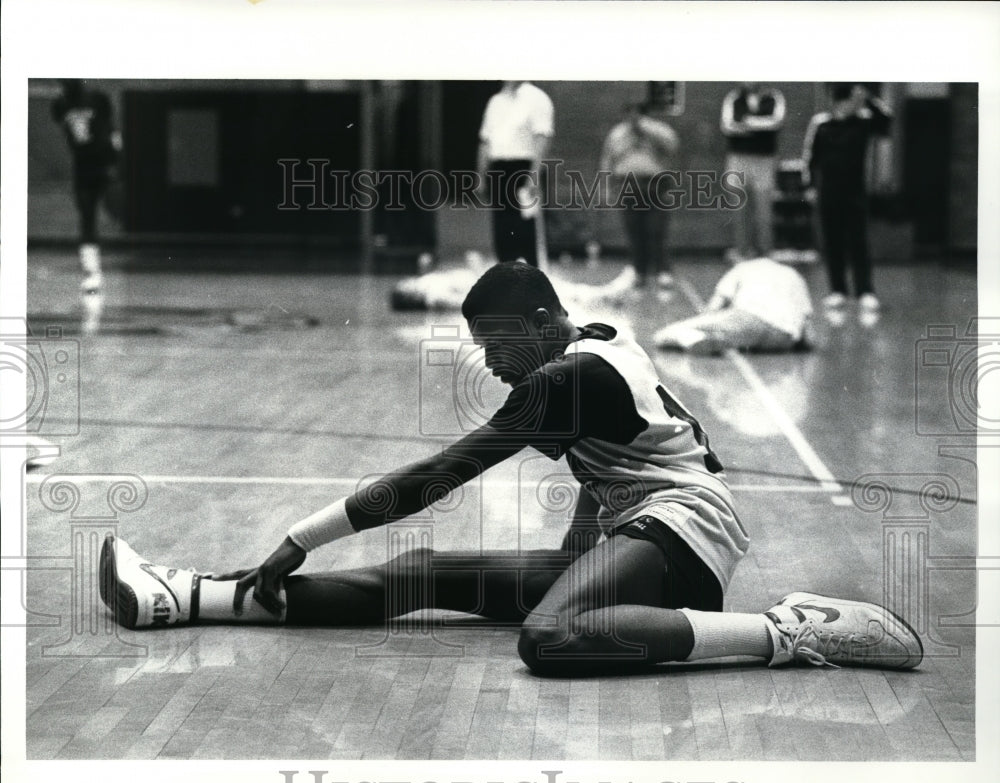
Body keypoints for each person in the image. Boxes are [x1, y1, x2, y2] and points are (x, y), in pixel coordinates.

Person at [100, 262, 922, 676]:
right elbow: (617, 472)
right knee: (420, 573)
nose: (490, 363)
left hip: (685, 532)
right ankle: (189, 595)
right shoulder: (580, 349)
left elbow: (438, 477)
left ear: (537, 324)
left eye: (495, 344)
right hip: (632, 524)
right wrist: (581, 552)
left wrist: (300, 534)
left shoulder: (568, 377)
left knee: (549, 636)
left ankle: (788, 632)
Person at [803, 83, 893, 312]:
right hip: (828, 192)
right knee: (833, 242)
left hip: (855, 192)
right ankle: (837, 291)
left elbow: (887, 120)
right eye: (851, 100)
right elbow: (810, 158)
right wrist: (810, 187)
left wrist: (869, 99)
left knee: (858, 242)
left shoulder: (864, 122)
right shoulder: (821, 124)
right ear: (840, 102)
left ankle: (865, 291)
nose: (855, 105)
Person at [652, 255, 813, 355]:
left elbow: (714, 308)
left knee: (663, 335)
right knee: (740, 332)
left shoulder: (742, 267)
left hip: (750, 318)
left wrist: (708, 320)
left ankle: (697, 339)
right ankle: (720, 338)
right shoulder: (794, 274)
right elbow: (807, 324)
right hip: (785, 336)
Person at [51, 79, 122, 293]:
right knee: (87, 217)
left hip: (105, 164)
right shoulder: (59, 104)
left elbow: (112, 129)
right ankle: (92, 272)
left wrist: (116, 161)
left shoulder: (98, 99)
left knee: (110, 211)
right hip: (82, 167)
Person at [599, 102, 680, 288]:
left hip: (655, 183)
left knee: (657, 229)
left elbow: (672, 147)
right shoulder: (618, 133)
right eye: (629, 114)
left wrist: (646, 130)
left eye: (637, 114)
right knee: (634, 230)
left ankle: (663, 271)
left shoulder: (659, 130)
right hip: (628, 184)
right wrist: (605, 186)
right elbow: (607, 160)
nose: (633, 118)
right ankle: (638, 271)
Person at [477, 82, 554, 268]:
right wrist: (480, 176)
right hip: (498, 168)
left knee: (527, 227)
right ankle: (505, 274)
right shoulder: (495, 102)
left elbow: (543, 138)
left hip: (524, 170)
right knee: (502, 227)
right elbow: (485, 141)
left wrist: (534, 175)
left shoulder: (536, 98)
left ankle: (533, 277)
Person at [720, 83, 786, 262]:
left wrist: (747, 123)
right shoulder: (733, 97)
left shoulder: (774, 97)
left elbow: (776, 122)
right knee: (739, 205)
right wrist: (760, 125)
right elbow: (727, 126)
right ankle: (742, 252)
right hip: (738, 159)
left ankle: (766, 254)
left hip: (764, 160)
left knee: (764, 208)